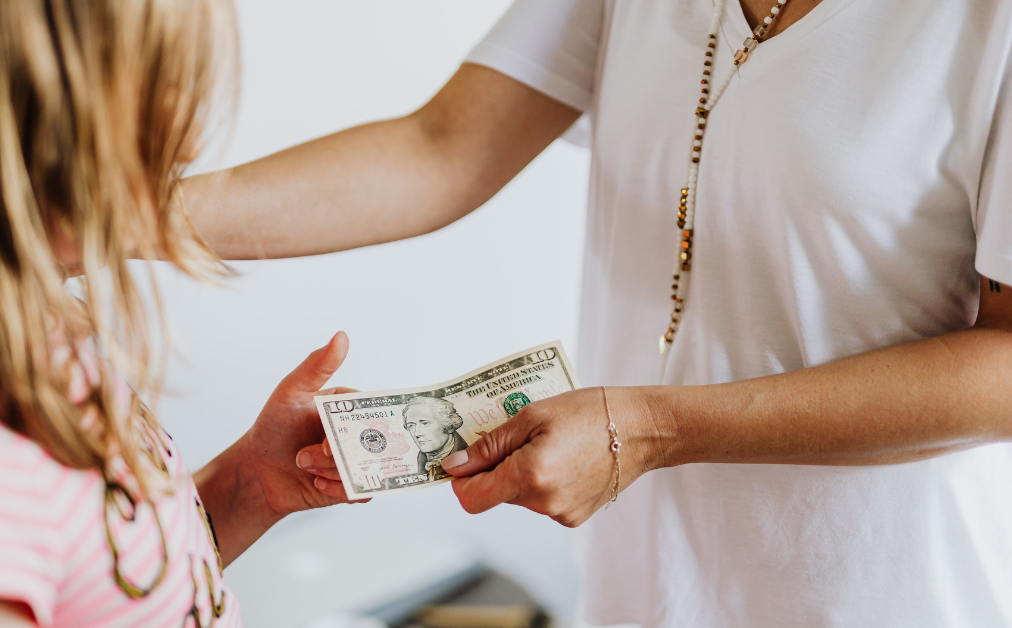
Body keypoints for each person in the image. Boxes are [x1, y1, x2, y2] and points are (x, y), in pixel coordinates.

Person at [183, 0, 1012, 625]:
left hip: (881, 590)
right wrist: (129, 215)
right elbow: (443, 149)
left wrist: (652, 428)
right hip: (640, 584)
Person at [0, 2, 355, 627]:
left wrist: (246, 487)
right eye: (146, 85)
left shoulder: (0, 307)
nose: (187, 144)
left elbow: (103, 579)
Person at [401, 397, 469, 480]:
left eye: (425, 423)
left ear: (448, 424)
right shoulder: (421, 460)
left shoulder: (467, 455)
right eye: (411, 425)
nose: (417, 433)